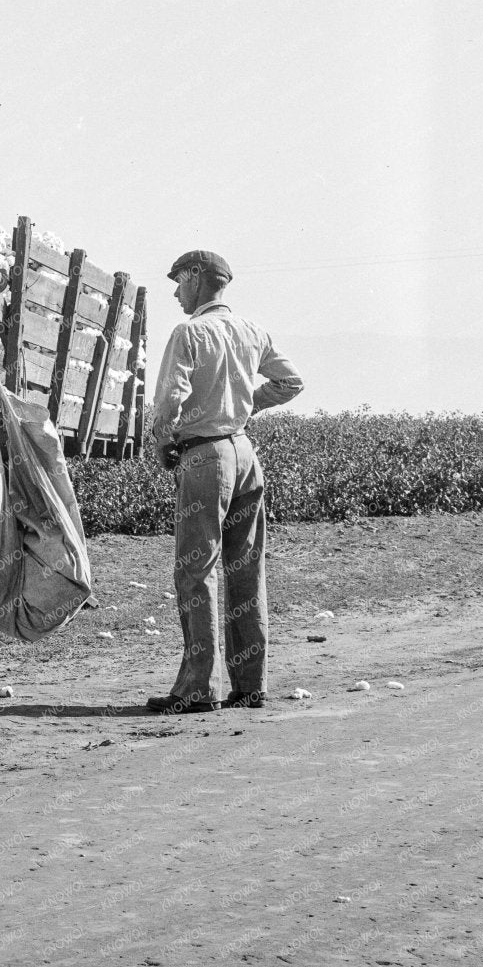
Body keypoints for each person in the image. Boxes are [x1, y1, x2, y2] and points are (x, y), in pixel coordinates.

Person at [144, 250, 304, 713]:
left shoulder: (189, 332)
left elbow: (169, 399)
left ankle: (197, 689)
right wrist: (246, 405)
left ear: (197, 279)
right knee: (245, 569)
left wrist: (162, 442)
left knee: (196, 572)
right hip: (244, 452)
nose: (175, 291)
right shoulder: (253, 331)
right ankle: (250, 686)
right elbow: (291, 382)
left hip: (206, 456)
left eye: (178, 281)